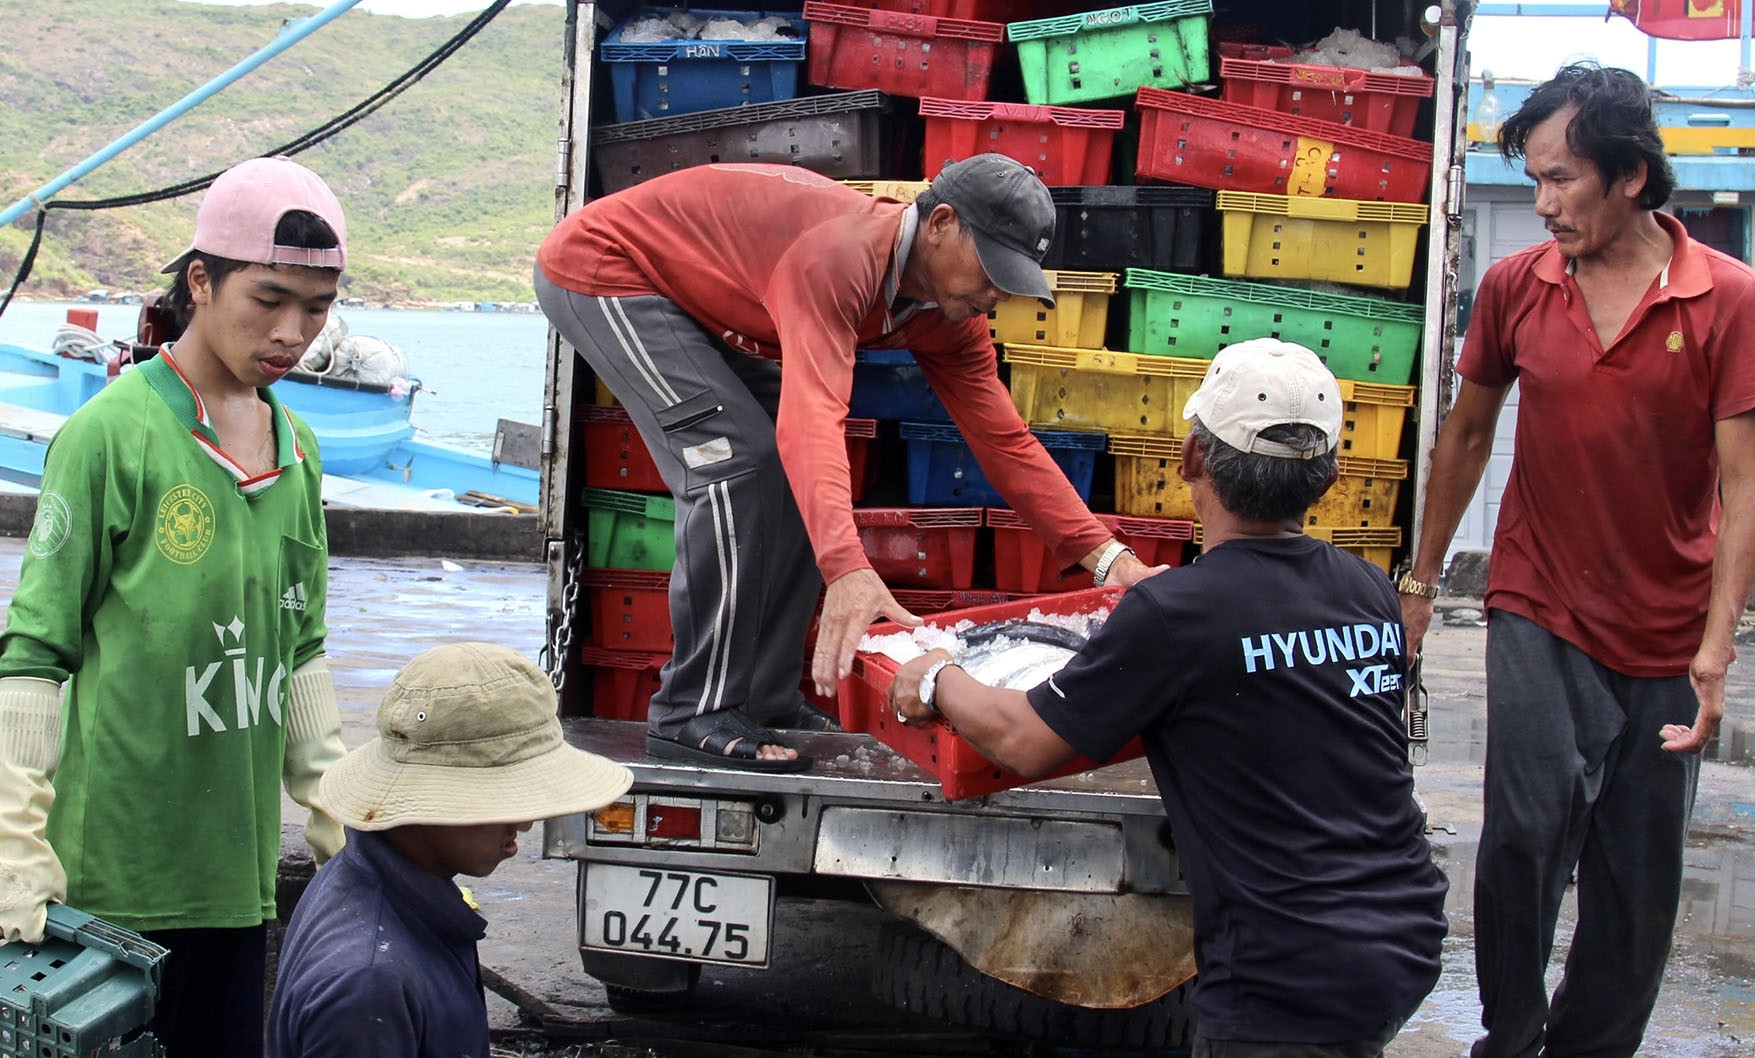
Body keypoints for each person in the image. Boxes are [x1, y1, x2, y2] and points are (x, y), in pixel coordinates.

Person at [890, 338, 1449, 1056]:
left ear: (1190, 459)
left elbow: (1023, 740)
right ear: (1330, 476)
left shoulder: (1178, 615)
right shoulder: (1366, 588)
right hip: (1403, 931)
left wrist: (935, 676)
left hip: (1285, 973)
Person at [535, 154, 1163, 772]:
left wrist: (1110, 560)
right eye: (993, 269)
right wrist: (846, 566)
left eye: (1014, 279)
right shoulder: (841, 259)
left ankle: (766, 698)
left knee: (793, 476)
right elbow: (812, 422)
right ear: (941, 223)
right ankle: (690, 709)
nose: (996, 294)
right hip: (608, 270)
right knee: (735, 464)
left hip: (707, 298)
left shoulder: (951, 315)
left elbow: (1005, 441)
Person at [1398, 62, 1755, 1058]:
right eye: (1534, 180)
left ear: (1631, 177)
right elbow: (1468, 434)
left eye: (1562, 179)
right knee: (1522, 834)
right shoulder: (1515, 285)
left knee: (1637, 877)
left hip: (1667, 627)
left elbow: (1748, 485)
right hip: (1538, 600)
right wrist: (1420, 582)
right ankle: (1510, 1034)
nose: (1543, 203)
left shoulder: (1728, 298)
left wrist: (1716, 644)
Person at [0, 156, 352, 1057]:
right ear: (200, 280)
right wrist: (16, 846)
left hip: (236, 881)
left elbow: (299, 649)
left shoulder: (297, 446)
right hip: (109, 888)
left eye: (317, 307)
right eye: (268, 299)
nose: (292, 332)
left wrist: (339, 820)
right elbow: (34, 653)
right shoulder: (112, 434)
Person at [267, 642, 634, 1058]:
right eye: (507, 798)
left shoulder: (375, 885)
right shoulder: (369, 986)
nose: (525, 824)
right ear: (428, 798)